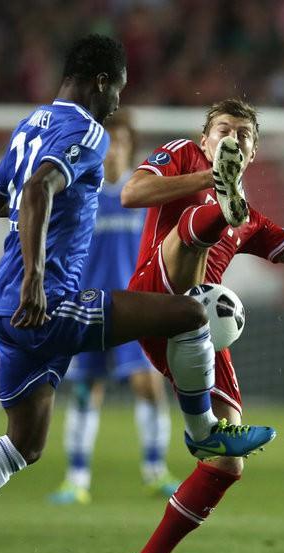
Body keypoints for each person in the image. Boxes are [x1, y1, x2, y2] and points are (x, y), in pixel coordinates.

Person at [0, 36, 275, 553]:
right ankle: (204, 431)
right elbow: (39, 187)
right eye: (120, 90)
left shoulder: (32, 123)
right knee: (190, 313)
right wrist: (37, 279)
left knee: (24, 444)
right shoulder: (88, 131)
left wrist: (32, 245)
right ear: (102, 82)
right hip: (46, 302)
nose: (118, 103)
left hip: (4, 305)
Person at [111, 98, 284, 553]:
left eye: (244, 134)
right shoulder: (182, 155)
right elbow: (131, 193)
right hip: (154, 296)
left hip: (196, 330)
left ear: (254, 152)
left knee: (227, 462)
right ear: (205, 140)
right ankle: (214, 209)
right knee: (190, 239)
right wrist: (209, 179)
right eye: (223, 129)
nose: (233, 137)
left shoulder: (250, 222)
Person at [49, 109, 178, 505]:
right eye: (107, 143)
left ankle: (155, 471)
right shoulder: (79, 194)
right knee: (86, 390)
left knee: (148, 385)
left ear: (130, 147)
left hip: (134, 307)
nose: (113, 150)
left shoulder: (142, 195)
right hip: (86, 308)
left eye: (120, 142)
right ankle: (76, 479)